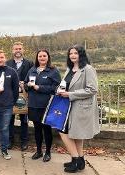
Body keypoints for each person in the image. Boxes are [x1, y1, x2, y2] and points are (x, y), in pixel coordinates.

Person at [57, 45, 99, 173]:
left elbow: (92, 89)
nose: (73, 55)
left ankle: (75, 160)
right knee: (76, 134)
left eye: (76, 53)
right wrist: (61, 90)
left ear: (81, 54)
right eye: (71, 53)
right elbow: (67, 84)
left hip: (80, 107)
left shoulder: (88, 69)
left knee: (63, 131)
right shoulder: (70, 69)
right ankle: (80, 160)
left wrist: (70, 94)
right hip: (68, 106)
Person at [24, 49, 61, 162]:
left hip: (46, 105)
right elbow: (26, 84)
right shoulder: (32, 70)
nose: (42, 58)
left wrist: (39, 87)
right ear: (37, 58)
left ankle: (48, 152)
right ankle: (39, 151)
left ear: (48, 57)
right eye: (40, 56)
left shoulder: (53, 71)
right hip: (33, 104)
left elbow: (56, 88)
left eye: (44, 56)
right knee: (37, 129)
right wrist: (27, 85)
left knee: (47, 129)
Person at [6, 41, 34, 150]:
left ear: (23, 50)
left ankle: (24, 142)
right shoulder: (7, 63)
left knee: (24, 119)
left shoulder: (30, 63)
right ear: (12, 50)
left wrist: (25, 84)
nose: (18, 50)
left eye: (20, 48)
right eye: (16, 49)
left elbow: (32, 78)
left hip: (24, 95)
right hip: (10, 95)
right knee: (10, 119)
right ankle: (9, 140)